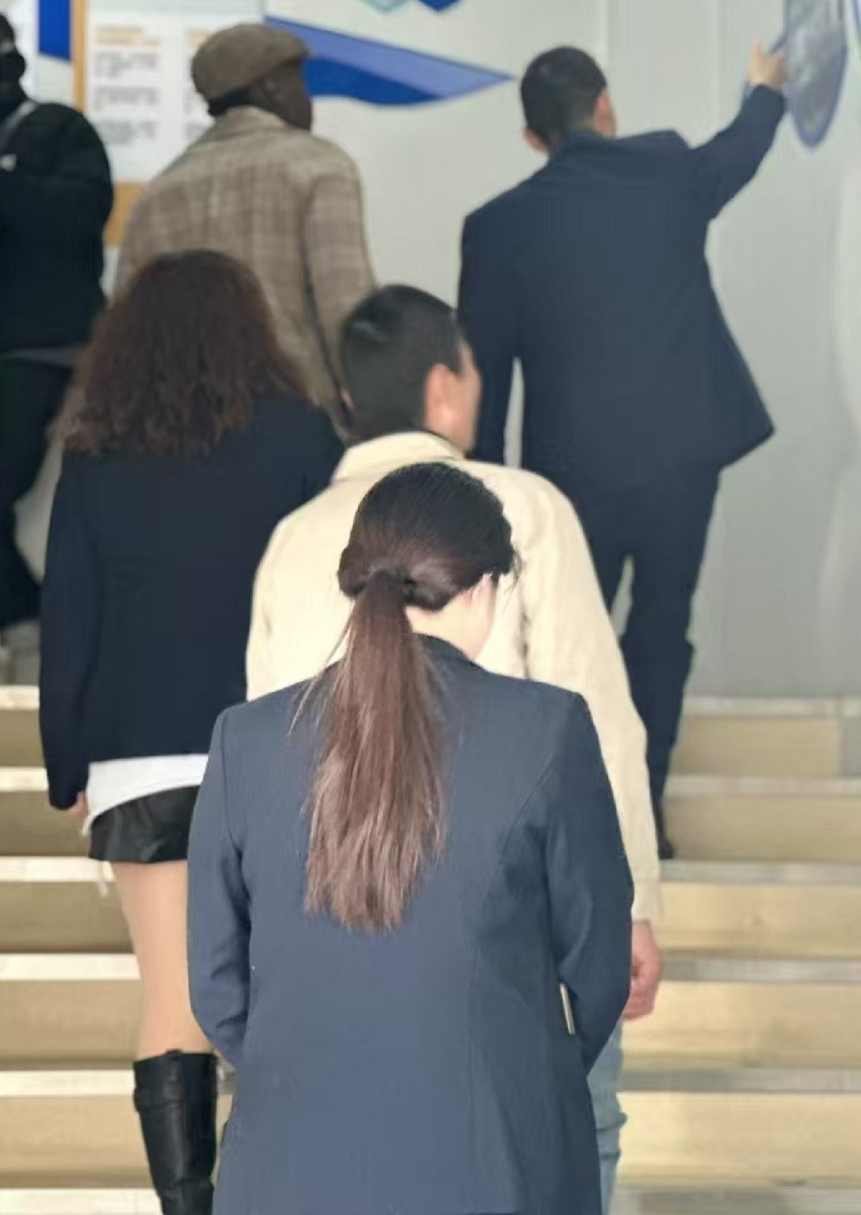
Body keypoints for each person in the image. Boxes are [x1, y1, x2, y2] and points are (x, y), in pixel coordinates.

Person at [247, 284, 661, 1213]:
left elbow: (268, 758)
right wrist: (630, 903)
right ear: (445, 387)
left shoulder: (291, 539)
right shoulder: (525, 507)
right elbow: (596, 717)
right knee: (580, 1126)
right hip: (514, 929)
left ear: (350, 400)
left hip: (340, 921)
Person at [190, 462, 634, 1215]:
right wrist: (521, 1072)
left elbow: (215, 982)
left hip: (289, 1165)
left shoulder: (247, 739)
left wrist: (306, 1073)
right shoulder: (548, 729)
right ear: (483, 586)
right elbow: (599, 966)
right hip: (494, 1162)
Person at [39, 250, 343, 1215]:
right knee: (290, 1000)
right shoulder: (300, 437)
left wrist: (66, 767)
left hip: (139, 765)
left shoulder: (95, 455)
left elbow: (70, 622)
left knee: (173, 1003)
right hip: (281, 752)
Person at [459, 42, 788, 856]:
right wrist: (764, 90)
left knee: (565, 643)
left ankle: (562, 819)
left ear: (533, 138)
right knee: (662, 628)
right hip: (683, 457)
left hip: (571, 476)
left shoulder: (496, 228)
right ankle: (648, 808)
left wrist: (483, 498)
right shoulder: (668, 172)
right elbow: (739, 153)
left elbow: (485, 379)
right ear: (604, 105)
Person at [116, 21, 375, 423]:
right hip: (301, 418)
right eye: (298, 81)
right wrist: (378, 418)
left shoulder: (158, 194)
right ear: (272, 87)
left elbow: (129, 332)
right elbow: (345, 309)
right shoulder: (318, 166)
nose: (306, 98)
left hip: (188, 427)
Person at [0, 11, 113, 681]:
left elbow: (79, 216)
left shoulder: (56, 129)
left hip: (35, 353)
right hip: (12, 352)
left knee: (3, 496)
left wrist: (2, 175)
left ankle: (27, 627)